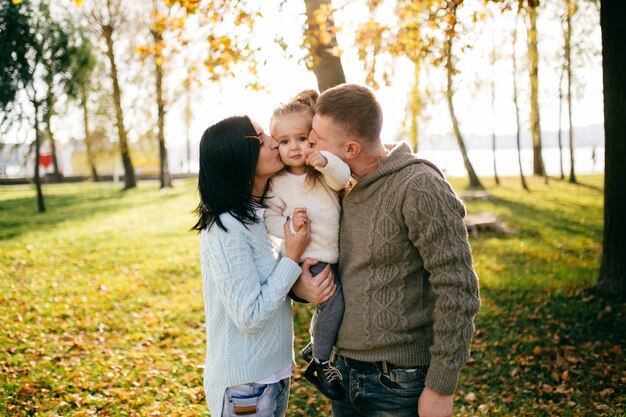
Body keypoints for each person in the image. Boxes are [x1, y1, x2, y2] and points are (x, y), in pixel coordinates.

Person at [307, 84, 481, 417]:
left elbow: (458, 288)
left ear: (351, 149)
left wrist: (441, 387)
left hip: (399, 383)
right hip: (343, 374)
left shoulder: (419, 185)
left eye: (317, 138)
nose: (309, 143)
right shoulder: (338, 186)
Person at [191, 115, 336, 417]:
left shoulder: (258, 218)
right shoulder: (224, 229)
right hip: (246, 387)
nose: (273, 142)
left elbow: (270, 284)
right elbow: (249, 315)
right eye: (260, 140)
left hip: (273, 375)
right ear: (238, 159)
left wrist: (301, 286)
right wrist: (291, 257)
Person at [264, 90, 350, 400]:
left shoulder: (321, 171)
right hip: (311, 257)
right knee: (333, 303)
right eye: (284, 142)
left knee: (331, 307)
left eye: (301, 138)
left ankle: (316, 345)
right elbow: (269, 219)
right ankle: (321, 362)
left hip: (333, 252)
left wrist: (326, 161)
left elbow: (343, 179)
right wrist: (290, 224)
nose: (294, 147)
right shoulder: (279, 182)